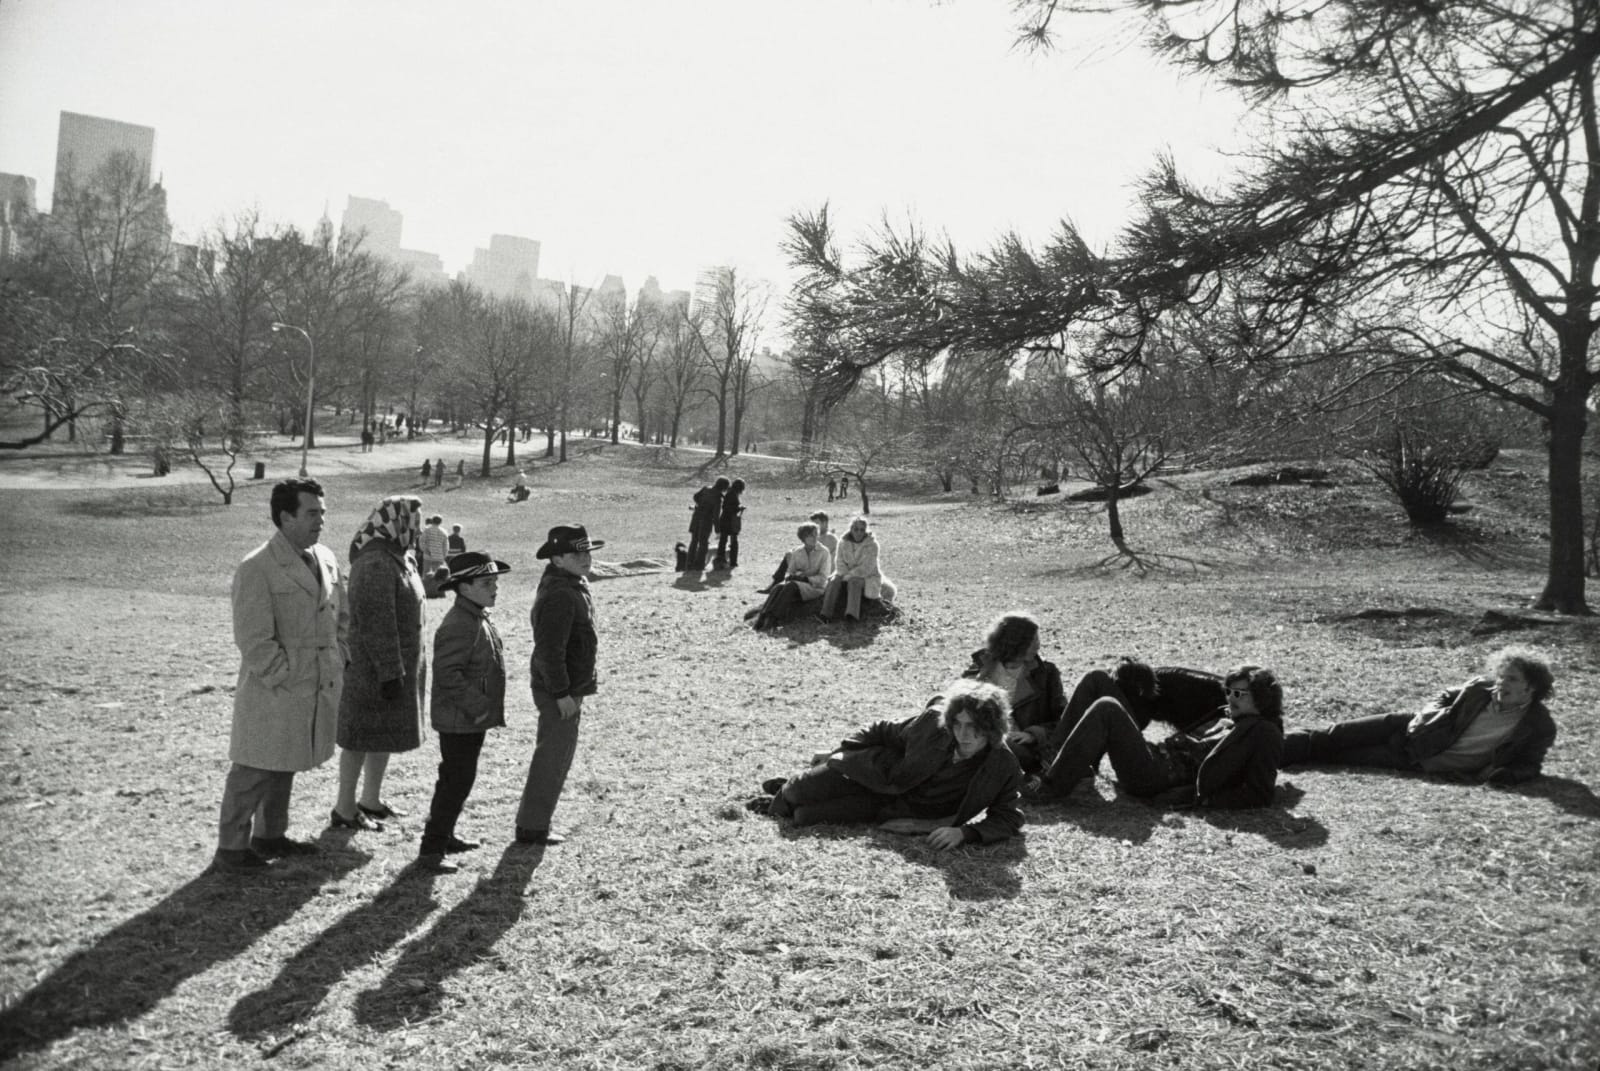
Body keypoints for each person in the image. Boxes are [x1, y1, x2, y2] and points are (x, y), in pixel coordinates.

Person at [214, 479, 347, 872]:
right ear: (285, 517)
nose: (320, 521)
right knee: (254, 766)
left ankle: (271, 836)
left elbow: (342, 617)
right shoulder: (257, 567)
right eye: (311, 514)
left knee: (285, 761)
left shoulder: (324, 557)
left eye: (322, 513)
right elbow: (254, 639)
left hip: (314, 685)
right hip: (274, 690)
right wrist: (283, 675)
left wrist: (342, 657)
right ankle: (231, 849)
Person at [754, 679, 1024, 848]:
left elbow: (1009, 816)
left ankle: (800, 790)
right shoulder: (933, 722)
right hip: (874, 774)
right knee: (793, 794)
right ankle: (786, 790)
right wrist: (837, 751)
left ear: (992, 728)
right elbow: (881, 730)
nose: (964, 735)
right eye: (958, 724)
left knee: (804, 817)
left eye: (975, 728)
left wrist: (966, 833)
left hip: (894, 808)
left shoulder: (1003, 765)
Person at [1279, 647, 1557, 783]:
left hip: (1419, 760)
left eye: (1510, 679)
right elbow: (1445, 696)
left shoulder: (1538, 726)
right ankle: (1270, 748)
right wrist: (1428, 714)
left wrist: (1503, 775)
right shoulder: (1478, 688)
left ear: (1531, 687)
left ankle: (1273, 756)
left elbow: (1530, 764)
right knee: (1334, 734)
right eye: (1500, 676)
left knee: (1337, 756)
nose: (1500, 684)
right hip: (1407, 726)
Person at [1029, 665, 1285, 808]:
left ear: (1261, 698)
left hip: (1157, 776)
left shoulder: (1264, 733)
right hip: (1156, 757)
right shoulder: (1234, 719)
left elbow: (1259, 793)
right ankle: (1054, 760)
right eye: (1229, 691)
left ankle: (1050, 788)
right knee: (1097, 679)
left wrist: (1196, 798)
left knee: (1107, 708)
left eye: (1239, 694)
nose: (1230, 698)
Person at [332, 496, 429, 832]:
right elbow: (376, 621)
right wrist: (390, 671)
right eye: (413, 519)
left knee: (381, 735)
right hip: (373, 669)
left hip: (395, 666)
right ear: (395, 521)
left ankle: (370, 800)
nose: (416, 527)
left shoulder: (399, 557)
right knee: (359, 737)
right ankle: (344, 808)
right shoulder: (375, 562)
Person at [418, 552, 512, 873]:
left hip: (469, 719)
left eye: (495, 581)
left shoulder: (475, 615)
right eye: (487, 582)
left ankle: (445, 836)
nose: (495, 587)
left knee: (458, 780)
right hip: (460, 720)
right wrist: (478, 708)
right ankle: (431, 850)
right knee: (455, 781)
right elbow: (448, 676)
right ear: (464, 587)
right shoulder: (460, 624)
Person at [516, 524, 606, 846]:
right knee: (552, 757)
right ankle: (532, 828)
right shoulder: (559, 593)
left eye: (587, 552)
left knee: (558, 755)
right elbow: (549, 651)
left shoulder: (570, 583)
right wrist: (561, 693)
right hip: (559, 691)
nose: (585, 558)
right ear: (557, 559)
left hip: (567, 688)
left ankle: (535, 824)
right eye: (577, 553)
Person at [962, 612, 1066, 774]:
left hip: (1025, 751)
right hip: (977, 741)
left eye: (1037, 639)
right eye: (1032, 641)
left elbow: (1064, 720)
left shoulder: (1046, 673)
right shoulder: (979, 671)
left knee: (1000, 744)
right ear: (1013, 642)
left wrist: (1033, 734)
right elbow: (954, 706)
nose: (1037, 646)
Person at [751, 522, 831, 630]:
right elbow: (789, 572)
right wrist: (791, 576)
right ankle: (762, 617)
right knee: (778, 587)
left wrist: (805, 578)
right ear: (803, 537)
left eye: (816, 534)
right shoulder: (797, 552)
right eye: (810, 535)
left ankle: (773, 620)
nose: (814, 538)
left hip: (815, 587)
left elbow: (823, 578)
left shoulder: (824, 552)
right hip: (798, 584)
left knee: (790, 586)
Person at [820, 516, 888, 622]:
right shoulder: (842, 542)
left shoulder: (872, 545)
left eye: (862, 530)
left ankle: (851, 616)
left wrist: (850, 575)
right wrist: (844, 573)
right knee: (834, 581)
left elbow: (867, 567)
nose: (859, 532)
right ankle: (825, 614)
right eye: (856, 529)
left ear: (866, 531)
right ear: (851, 529)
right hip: (844, 572)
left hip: (867, 576)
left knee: (854, 581)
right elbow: (839, 562)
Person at [758, 512, 837, 594]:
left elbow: (823, 556)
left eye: (817, 523)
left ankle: (777, 583)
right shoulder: (816, 535)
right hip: (810, 566)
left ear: (824, 523)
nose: (814, 525)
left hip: (822, 570)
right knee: (789, 555)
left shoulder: (830, 538)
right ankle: (776, 583)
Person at [686, 477, 728, 570]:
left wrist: (700, 505)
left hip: (696, 517)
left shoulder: (706, 488)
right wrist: (718, 531)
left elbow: (695, 496)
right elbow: (716, 517)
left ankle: (689, 563)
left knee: (693, 541)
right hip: (706, 522)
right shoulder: (718, 498)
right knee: (703, 544)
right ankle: (699, 565)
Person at [713, 478, 746, 570]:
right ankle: (733, 561)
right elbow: (731, 508)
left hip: (724, 520)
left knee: (723, 542)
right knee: (733, 542)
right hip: (731, 521)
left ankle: (720, 560)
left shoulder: (729, 493)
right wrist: (740, 508)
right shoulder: (733, 495)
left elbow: (726, 507)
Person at [419, 514, 449, 598]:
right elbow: (446, 546)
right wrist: (444, 555)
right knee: (439, 577)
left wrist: (425, 550)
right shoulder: (444, 532)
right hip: (439, 556)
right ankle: (439, 591)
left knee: (426, 574)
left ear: (432, 520)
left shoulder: (427, 530)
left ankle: (425, 590)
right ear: (440, 522)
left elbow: (421, 541)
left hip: (428, 556)